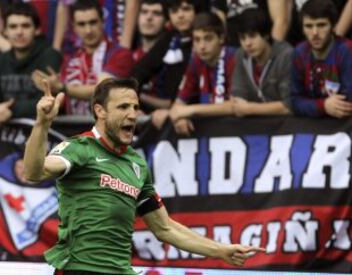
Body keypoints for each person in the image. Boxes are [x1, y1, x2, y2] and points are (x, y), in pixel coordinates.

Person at [23, 77, 265, 274]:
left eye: (135, 107)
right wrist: (42, 124)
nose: (133, 114)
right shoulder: (79, 148)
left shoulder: (136, 163)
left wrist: (220, 250)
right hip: (80, 269)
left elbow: (165, 228)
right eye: (123, 107)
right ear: (100, 111)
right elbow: (34, 172)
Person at [32, 0, 134, 116]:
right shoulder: (70, 59)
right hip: (73, 131)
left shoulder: (120, 54)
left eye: (93, 22)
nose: (88, 30)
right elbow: (64, 102)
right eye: (82, 24)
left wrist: (61, 87)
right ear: (74, 27)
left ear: (103, 22)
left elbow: (102, 91)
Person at [0, 2, 61, 126]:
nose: (19, 32)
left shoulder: (50, 56)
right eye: (13, 27)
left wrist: (9, 110)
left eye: (25, 26)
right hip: (5, 137)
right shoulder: (2, 60)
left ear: (37, 29)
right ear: (5, 31)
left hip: (48, 133)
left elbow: (48, 100)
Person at [168, 12, 236, 135]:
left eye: (208, 38)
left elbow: (235, 105)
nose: (202, 46)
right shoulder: (196, 60)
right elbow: (178, 104)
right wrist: (180, 118)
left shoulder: (233, 58)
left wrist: (191, 110)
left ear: (221, 38)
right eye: (197, 40)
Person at [131, 0, 196, 127]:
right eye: (174, 11)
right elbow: (138, 72)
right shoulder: (171, 38)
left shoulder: (203, 39)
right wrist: (132, 106)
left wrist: (175, 110)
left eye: (186, 9)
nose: (180, 15)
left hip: (196, 113)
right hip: (170, 111)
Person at [290, 0, 352, 118]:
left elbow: (348, 103)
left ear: (333, 26)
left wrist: (312, 105)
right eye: (308, 26)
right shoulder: (299, 52)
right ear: (302, 28)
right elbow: (294, 101)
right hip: (313, 124)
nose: (314, 33)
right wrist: (323, 105)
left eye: (321, 25)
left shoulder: (347, 50)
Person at [231, 8, 292, 117]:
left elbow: (290, 106)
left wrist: (250, 109)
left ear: (266, 35)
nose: (247, 43)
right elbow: (237, 98)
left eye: (252, 36)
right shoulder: (240, 55)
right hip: (256, 127)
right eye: (242, 38)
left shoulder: (286, 55)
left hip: (287, 125)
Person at [133, 0, 167, 114]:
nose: (149, 18)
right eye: (144, 12)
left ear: (166, 21)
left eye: (156, 13)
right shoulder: (127, 56)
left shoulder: (173, 57)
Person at [211, 0, 293, 46]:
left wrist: (273, 54)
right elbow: (220, 23)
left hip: (265, 46)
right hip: (236, 50)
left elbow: (281, 22)